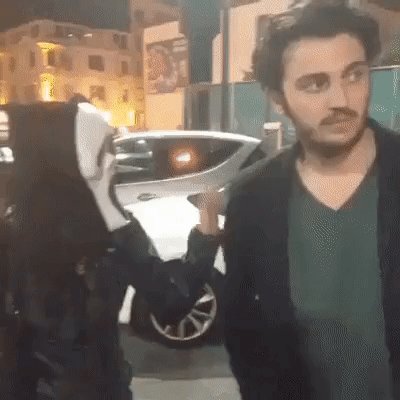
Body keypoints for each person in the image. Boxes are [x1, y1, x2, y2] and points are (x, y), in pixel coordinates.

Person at [212, 1, 400, 399]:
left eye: (354, 75)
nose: (341, 99)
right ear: (277, 98)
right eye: (315, 84)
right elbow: (244, 333)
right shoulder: (252, 199)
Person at [0, 100, 220, 400]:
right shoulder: (13, 232)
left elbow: (171, 303)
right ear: (64, 153)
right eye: (102, 148)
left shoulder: (115, 230)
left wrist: (205, 235)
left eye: (112, 144)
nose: (114, 157)